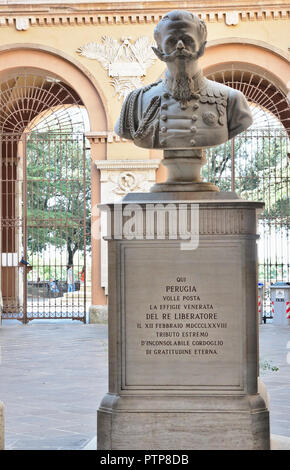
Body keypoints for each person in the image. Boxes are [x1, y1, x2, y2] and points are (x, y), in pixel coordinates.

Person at [115, 10, 252, 150]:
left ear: (202, 47)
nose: (180, 46)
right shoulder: (136, 101)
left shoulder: (231, 99)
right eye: (171, 41)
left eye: (187, 40)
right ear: (159, 50)